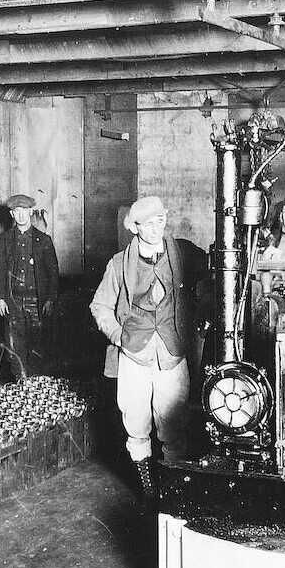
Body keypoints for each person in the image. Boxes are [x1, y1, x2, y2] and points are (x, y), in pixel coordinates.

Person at [90, 196, 206, 502]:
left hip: (172, 352)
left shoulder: (183, 253)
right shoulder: (119, 264)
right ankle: (148, 491)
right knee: (137, 424)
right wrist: (118, 335)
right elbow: (100, 305)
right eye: (148, 224)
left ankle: (173, 491)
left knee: (174, 425)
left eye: (160, 221)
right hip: (135, 355)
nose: (156, 229)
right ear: (134, 227)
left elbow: (217, 270)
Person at [0, 194, 59, 379]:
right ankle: (21, 385)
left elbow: (53, 273)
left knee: (37, 346)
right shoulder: (4, 240)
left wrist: (51, 299)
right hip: (13, 302)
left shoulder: (43, 240)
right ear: (12, 214)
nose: (21, 215)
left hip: (36, 302)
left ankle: (36, 385)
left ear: (31, 212)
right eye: (17, 211)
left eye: (24, 211)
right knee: (14, 347)